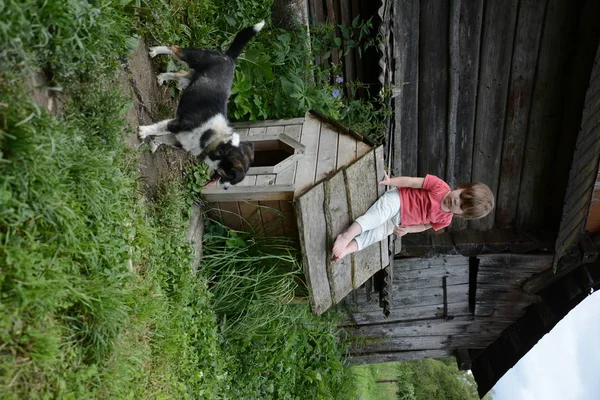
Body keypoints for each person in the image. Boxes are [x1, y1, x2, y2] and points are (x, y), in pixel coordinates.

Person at [331, 172, 494, 262]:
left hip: (398, 222)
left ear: (461, 214)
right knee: (377, 217)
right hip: (398, 200)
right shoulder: (440, 186)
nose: (456, 200)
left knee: (377, 235)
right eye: (461, 195)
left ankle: (348, 249)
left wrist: (408, 229)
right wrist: (391, 181)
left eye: (461, 206)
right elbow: (412, 182)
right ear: (462, 187)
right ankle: (346, 236)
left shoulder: (445, 220)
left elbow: (425, 226)